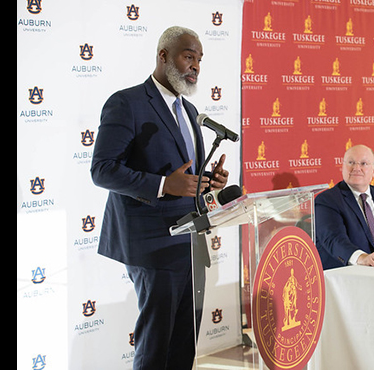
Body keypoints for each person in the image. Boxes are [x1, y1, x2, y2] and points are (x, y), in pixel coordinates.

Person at [90, 26, 230, 370]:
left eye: (199, 59)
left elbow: (185, 176)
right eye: (188, 56)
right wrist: (164, 185)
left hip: (189, 241)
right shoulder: (127, 103)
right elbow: (102, 170)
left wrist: (208, 182)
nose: (195, 65)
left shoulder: (191, 112)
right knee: (156, 345)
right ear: (163, 56)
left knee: (184, 343)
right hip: (151, 243)